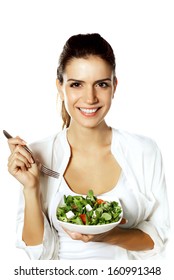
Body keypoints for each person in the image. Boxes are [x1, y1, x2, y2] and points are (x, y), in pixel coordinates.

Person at [7, 33, 170, 260]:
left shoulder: (144, 152)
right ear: (60, 86)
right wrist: (30, 188)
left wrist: (109, 235)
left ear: (114, 86)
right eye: (76, 84)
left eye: (101, 84)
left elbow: (159, 237)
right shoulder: (38, 155)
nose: (90, 97)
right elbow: (36, 253)